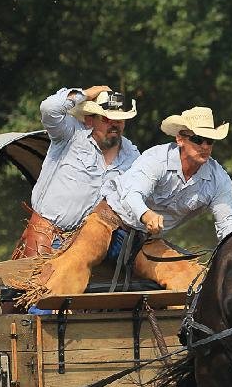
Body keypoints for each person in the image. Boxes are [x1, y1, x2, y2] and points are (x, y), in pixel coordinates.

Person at [27, 106, 232, 300]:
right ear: (180, 139)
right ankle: (41, 314)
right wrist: (146, 215)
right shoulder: (156, 159)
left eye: (210, 141)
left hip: (145, 240)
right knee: (73, 262)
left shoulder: (218, 179)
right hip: (108, 223)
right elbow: (132, 194)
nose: (205, 146)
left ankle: (188, 337)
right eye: (198, 139)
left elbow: (226, 226)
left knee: (191, 276)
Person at [12, 85, 141, 259]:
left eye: (119, 120)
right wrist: (86, 94)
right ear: (89, 120)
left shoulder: (132, 155)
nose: (114, 125)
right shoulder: (70, 134)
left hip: (97, 244)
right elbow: (49, 108)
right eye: (106, 119)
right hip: (50, 239)